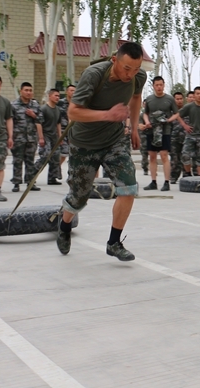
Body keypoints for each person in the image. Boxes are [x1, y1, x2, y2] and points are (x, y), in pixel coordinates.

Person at [56, 42, 147, 261]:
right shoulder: (94, 75)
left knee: (128, 187)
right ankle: (64, 224)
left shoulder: (138, 76)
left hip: (114, 140)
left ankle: (114, 242)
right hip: (84, 143)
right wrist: (107, 114)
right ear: (114, 60)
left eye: (135, 69)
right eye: (126, 68)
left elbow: (135, 98)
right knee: (79, 197)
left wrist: (134, 128)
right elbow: (74, 112)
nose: (130, 74)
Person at [141, 77, 177, 191]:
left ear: (164, 85)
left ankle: (166, 182)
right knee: (152, 156)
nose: (159, 87)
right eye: (157, 85)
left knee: (164, 156)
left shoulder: (169, 99)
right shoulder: (150, 99)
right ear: (153, 86)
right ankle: (153, 181)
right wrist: (146, 122)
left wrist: (168, 120)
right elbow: (145, 113)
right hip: (151, 130)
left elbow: (176, 113)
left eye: (161, 85)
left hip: (165, 131)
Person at [11, 82, 45, 192]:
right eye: (26, 90)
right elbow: (9, 121)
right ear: (21, 91)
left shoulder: (35, 105)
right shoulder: (14, 105)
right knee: (17, 161)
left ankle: (30, 183)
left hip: (31, 138)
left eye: (30, 90)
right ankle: (16, 183)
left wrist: (33, 115)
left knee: (30, 161)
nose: (28, 92)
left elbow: (41, 119)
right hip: (18, 138)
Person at [174, 86, 200, 177]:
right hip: (190, 136)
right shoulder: (189, 106)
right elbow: (177, 115)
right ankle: (188, 174)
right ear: (194, 95)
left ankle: (199, 179)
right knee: (185, 155)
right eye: (197, 94)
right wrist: (185, 125)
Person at [35, 88, 63, 185]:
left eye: (58, 96)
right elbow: (38, 123)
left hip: (54, 136)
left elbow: (58, 124)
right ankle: (31, 175)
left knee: (55, 157)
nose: (57, 98)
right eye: (55, 95)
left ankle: (52, 178)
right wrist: (41, 138)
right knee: (45, 156)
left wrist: (60, 137)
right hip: (45, 135)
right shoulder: (43, 109)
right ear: (49, 96)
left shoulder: (58, 109)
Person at [169, 91, 190, 182]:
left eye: (181, 99)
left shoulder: (187, 111)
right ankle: (173, 176)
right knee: (174, 159)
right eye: (177, 99)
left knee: (185, 157)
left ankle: (186, 176)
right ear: (174, 100)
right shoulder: (170, 113)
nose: (179, 101)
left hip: (186, 138)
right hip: (173, 139)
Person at [58, 84, 75, 175]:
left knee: (72, 154)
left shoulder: (76, 103)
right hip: (62, 130)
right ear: (66, 92)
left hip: (73, 132)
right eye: (71, 90)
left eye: (74, 91)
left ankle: (71, 173)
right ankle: (57, 168)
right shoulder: (60, 103)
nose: (73, 92)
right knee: (63, 154)